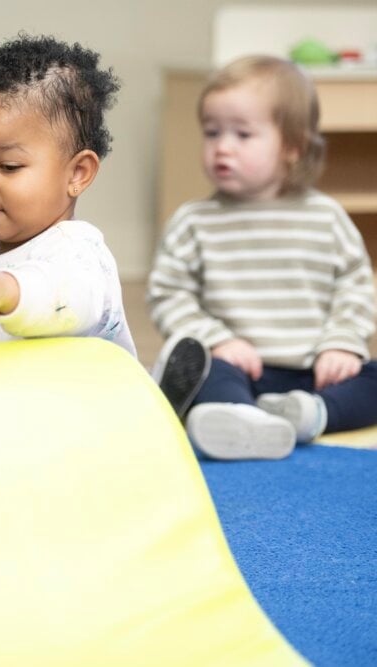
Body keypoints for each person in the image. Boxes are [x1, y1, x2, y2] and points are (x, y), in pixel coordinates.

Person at [147, 55, 377, 460]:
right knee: (205, 375)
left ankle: (312, 416)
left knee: (371, 378)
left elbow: (356, 284)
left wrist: (342, 344)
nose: (222, 147)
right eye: (212, 132)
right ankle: (241, 418)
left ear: (291, 146)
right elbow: (169, 294)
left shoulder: (325, 217)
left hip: (314, 368)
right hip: (238, 368)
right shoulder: (193, 222)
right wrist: (219, 340)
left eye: (242, 134)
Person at [0, 35, 135, 357]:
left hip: (87, 403)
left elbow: (62, 297)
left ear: (77, 174)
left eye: (9, 166)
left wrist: (4, 288)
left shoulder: (78, 251)